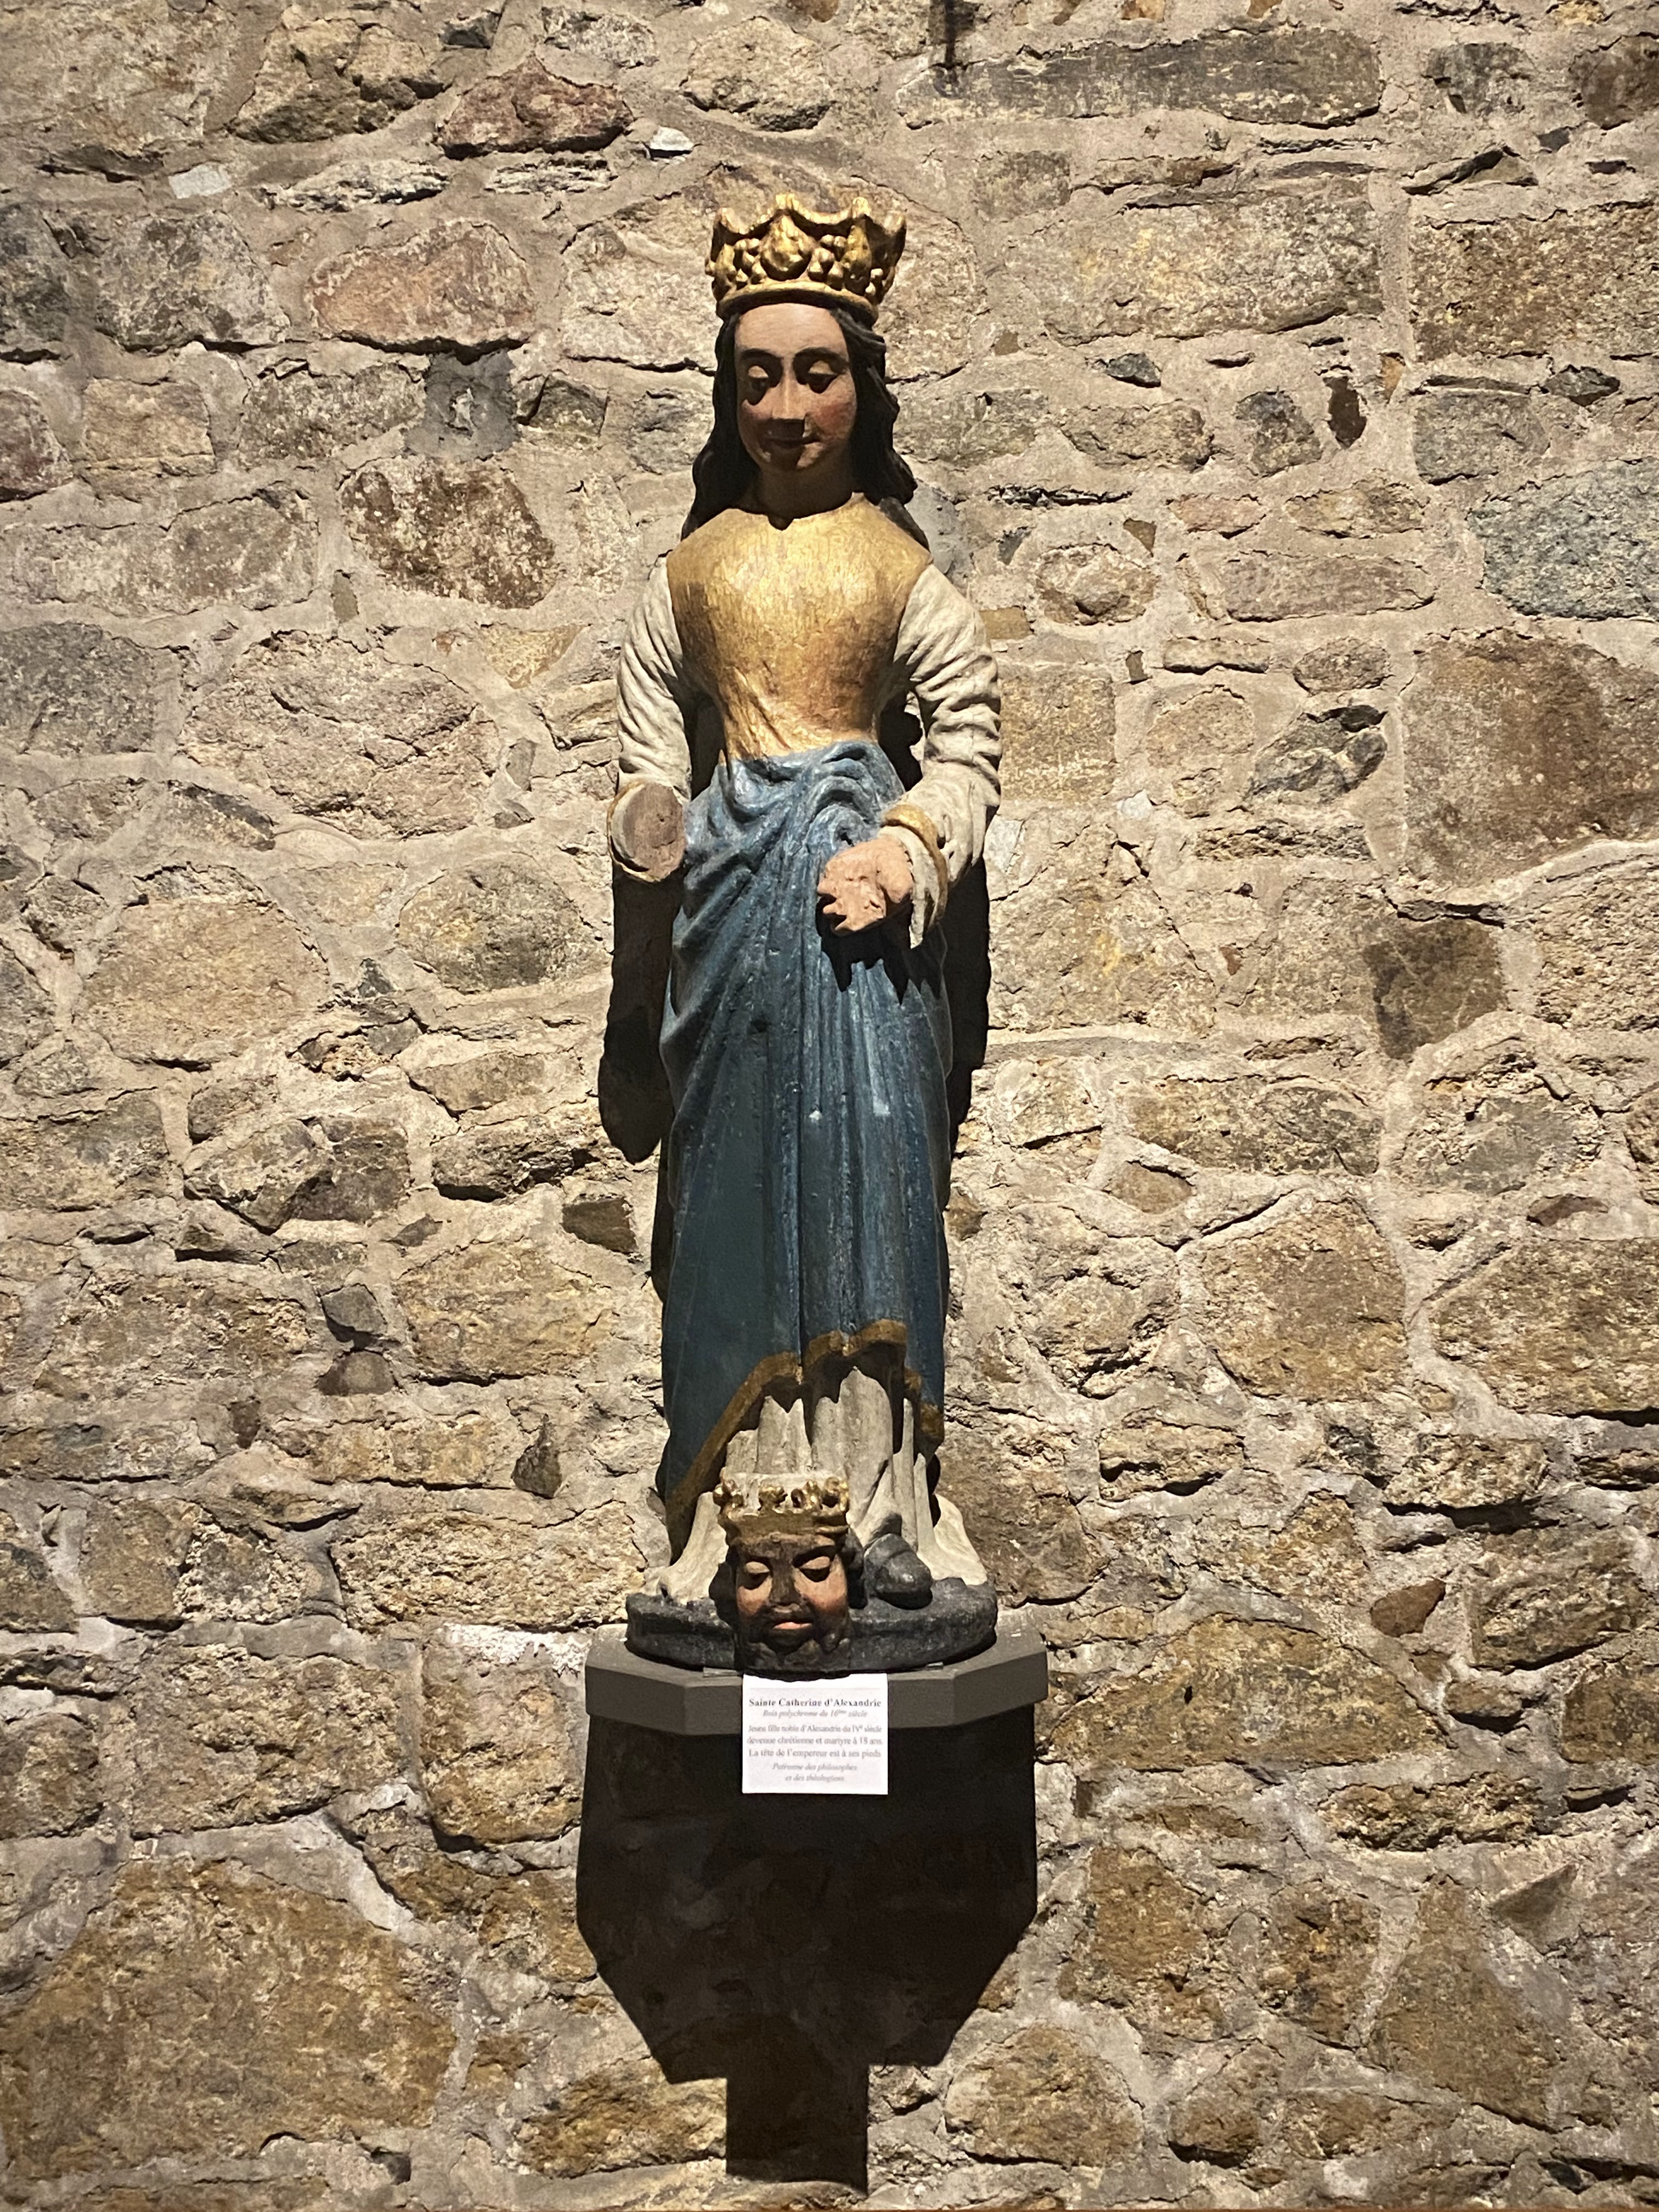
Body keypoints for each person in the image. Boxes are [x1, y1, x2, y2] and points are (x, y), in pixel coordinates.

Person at [610, 194, 1001, 1646]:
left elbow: (969, 743)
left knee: (872, 1193)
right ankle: (740, 1521)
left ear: (861, 385)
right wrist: (647, 822)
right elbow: (649, 751)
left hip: (860, 940)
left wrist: (903, 849)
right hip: (730, 927)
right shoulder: (690, 574)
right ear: (728, 392)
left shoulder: (897, 568)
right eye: (757, 377)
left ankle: (883, 1513)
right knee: (732, 1207)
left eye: (816, 373)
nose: (786, 408)